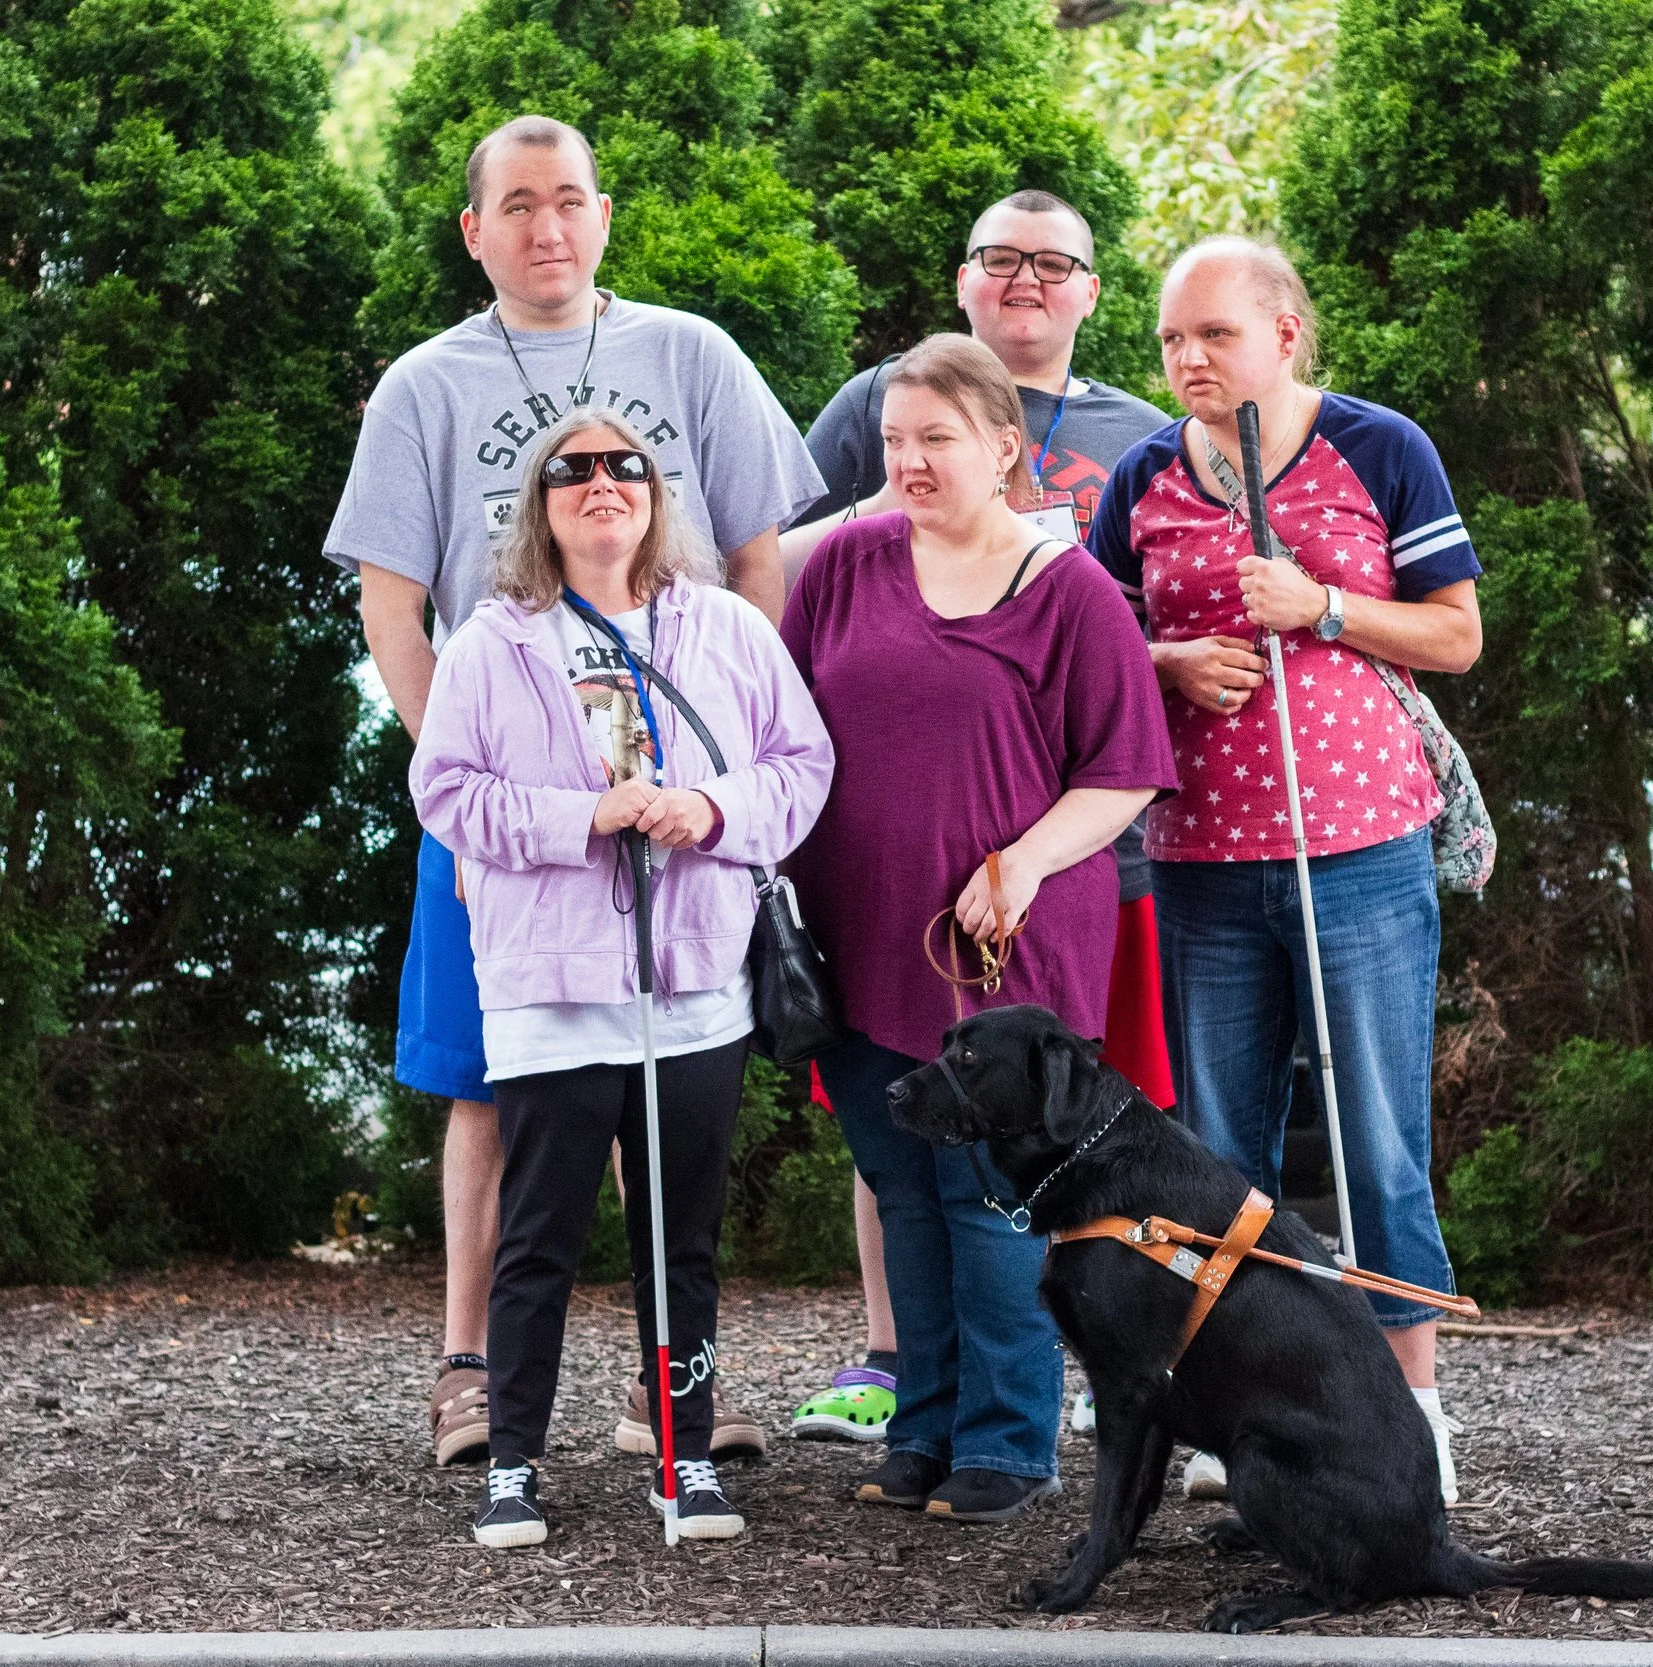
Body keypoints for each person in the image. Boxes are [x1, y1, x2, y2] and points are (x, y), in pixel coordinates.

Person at [322, 115, 825, 1472]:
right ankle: (473, 1374)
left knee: (655, 1086)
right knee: (492, 1088)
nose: (548, 227)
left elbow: (759, 562)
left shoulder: (693, 355)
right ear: (474, 230)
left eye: (571, 201)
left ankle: (669, 1397)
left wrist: (723, 769)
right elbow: (391, 608)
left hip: (680, 818)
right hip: (502, 816)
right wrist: (461, 788)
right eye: (518, 205)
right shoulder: (426, 385)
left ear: (605, 216)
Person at [1088, 237, 1484, 1505]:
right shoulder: (1146, 473)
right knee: (1221, 1154)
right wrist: (1169, 661)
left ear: (1287, 334)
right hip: (1202, 860)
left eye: (1215, 334)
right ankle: (1252, 1407)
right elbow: (1094, 641)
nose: (1189, 359)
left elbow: (1456, 632)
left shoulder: (1378, 448)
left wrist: (1317, 605)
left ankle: (1410, 1416)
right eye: (1170, 340)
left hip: (1358, 849)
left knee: (1378, 1143)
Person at [779, 190, 1176, 1445]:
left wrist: (1019, 858)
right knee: (903, 1187)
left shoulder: (1069, 591)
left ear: (1002, 445)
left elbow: (1125, 769)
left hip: (1005, 944)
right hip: (859, 934)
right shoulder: (843, 561)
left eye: (936, 438)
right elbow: (780, 724)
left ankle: (1008, 1441)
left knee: (987, 1193)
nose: (908, 461)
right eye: (896, 437)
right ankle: (922, 1425)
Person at [410, 412, 833, 1548]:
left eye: (625, 466)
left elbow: (802, 765)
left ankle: (684, 1457)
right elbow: (444, 792)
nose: (602, 483)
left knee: (677, 1233)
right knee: (539, 1231)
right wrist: (578, 818)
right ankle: (514, 1463)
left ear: (657, 493)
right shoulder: (492, 644)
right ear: (539, 505)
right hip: (551, 989)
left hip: (694, 981)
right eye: (573, 469)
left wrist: (712, 809)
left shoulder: (732, 629)